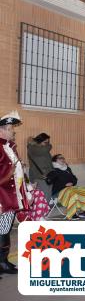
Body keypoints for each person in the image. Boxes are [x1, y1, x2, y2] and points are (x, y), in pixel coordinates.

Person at [0, 111, 26, 276]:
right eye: (10, 129)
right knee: (2, 230)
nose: (12, 132)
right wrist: (9, 173)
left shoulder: (9, 147)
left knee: (5, 229)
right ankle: (2, 263)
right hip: (1, 195)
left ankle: (3, 262)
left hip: (10, 194)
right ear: (1, 130)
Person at [46, 154, 85, 220]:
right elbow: (50, 182)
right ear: (55, 160)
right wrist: (64, 185)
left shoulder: (67, 168)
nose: (62, 159)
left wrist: (72, 182)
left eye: (63, 158)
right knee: (72, 193)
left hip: (70, 188)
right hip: (59, 190)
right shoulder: (54, 170)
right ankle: (72, 213)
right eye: (60, 158)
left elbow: (74, 178)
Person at [27, 132, 54, 201]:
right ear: (39, 141)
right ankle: (42, 211)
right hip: (39, 176)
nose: (47, 144)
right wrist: (49, 145)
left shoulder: (43, 149)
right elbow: (46, 149)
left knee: (48, 196)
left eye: (48, 142)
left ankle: (45, 211)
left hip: (48, 175)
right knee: (43, 197)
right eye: (45, 142)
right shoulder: (33, 148)